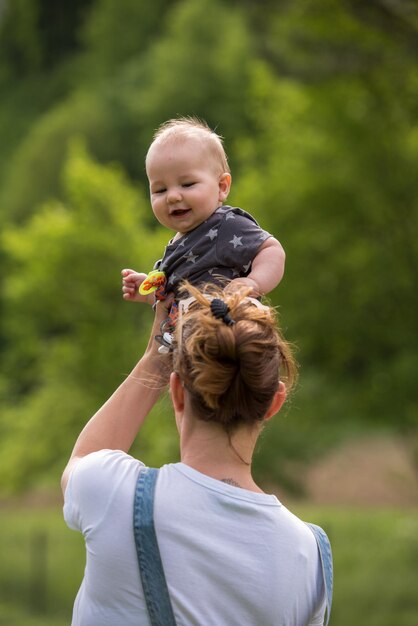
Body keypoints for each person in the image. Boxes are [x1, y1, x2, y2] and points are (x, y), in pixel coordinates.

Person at [62, 282, 332, 626]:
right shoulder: (311, 557)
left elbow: (82, 458)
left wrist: (158, 353)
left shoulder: (115, 493)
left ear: (177, 391)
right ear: (273, 403)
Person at [122, 117, 285, 348]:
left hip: (228, 338)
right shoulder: (180, 243)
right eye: (160, 189)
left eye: (187, 184)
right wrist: (150, 293)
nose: (173, 196)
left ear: (222, 187)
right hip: (188, 350)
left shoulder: (224, 225)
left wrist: (252, 282)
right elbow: (176, 298)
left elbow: (272, 250)